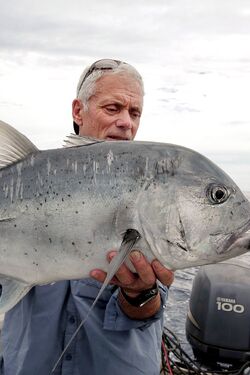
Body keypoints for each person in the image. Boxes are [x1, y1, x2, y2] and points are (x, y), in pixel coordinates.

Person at [0, 59, 174, 375]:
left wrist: (140, 293)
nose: (126, 123)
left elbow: (149, 308)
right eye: (113, 108)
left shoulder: (151, 191)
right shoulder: (29, 178)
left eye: (134, 113)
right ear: (79, 112)